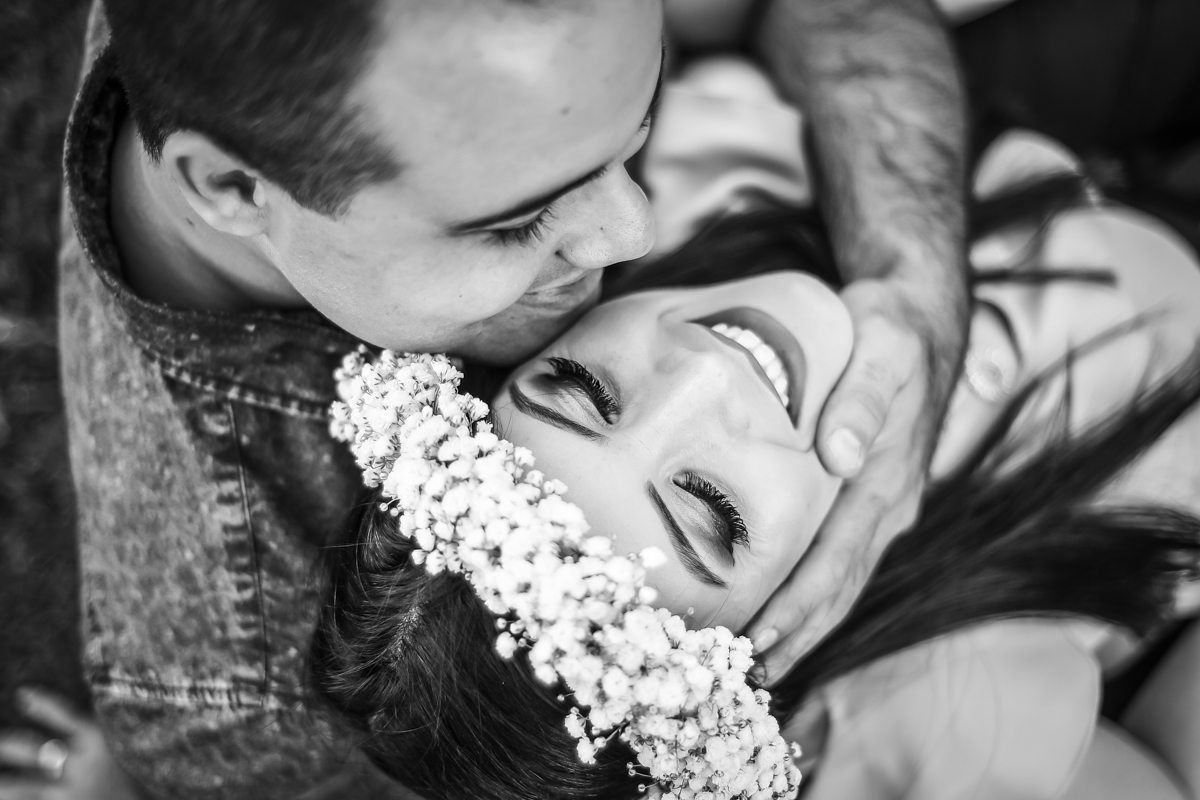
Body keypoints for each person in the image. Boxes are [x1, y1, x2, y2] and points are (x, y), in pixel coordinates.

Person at [13, 0, 969, 795]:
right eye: (518, 222)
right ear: (230, 186)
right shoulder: (237, 692)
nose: (630, 231)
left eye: (630, 131)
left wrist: (915, 276)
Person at [310, 132, 1200, 798]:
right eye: (711, 512)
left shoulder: (679, 189)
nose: (702, 371)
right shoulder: (957, 721)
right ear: (779, 629)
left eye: (580, 389)